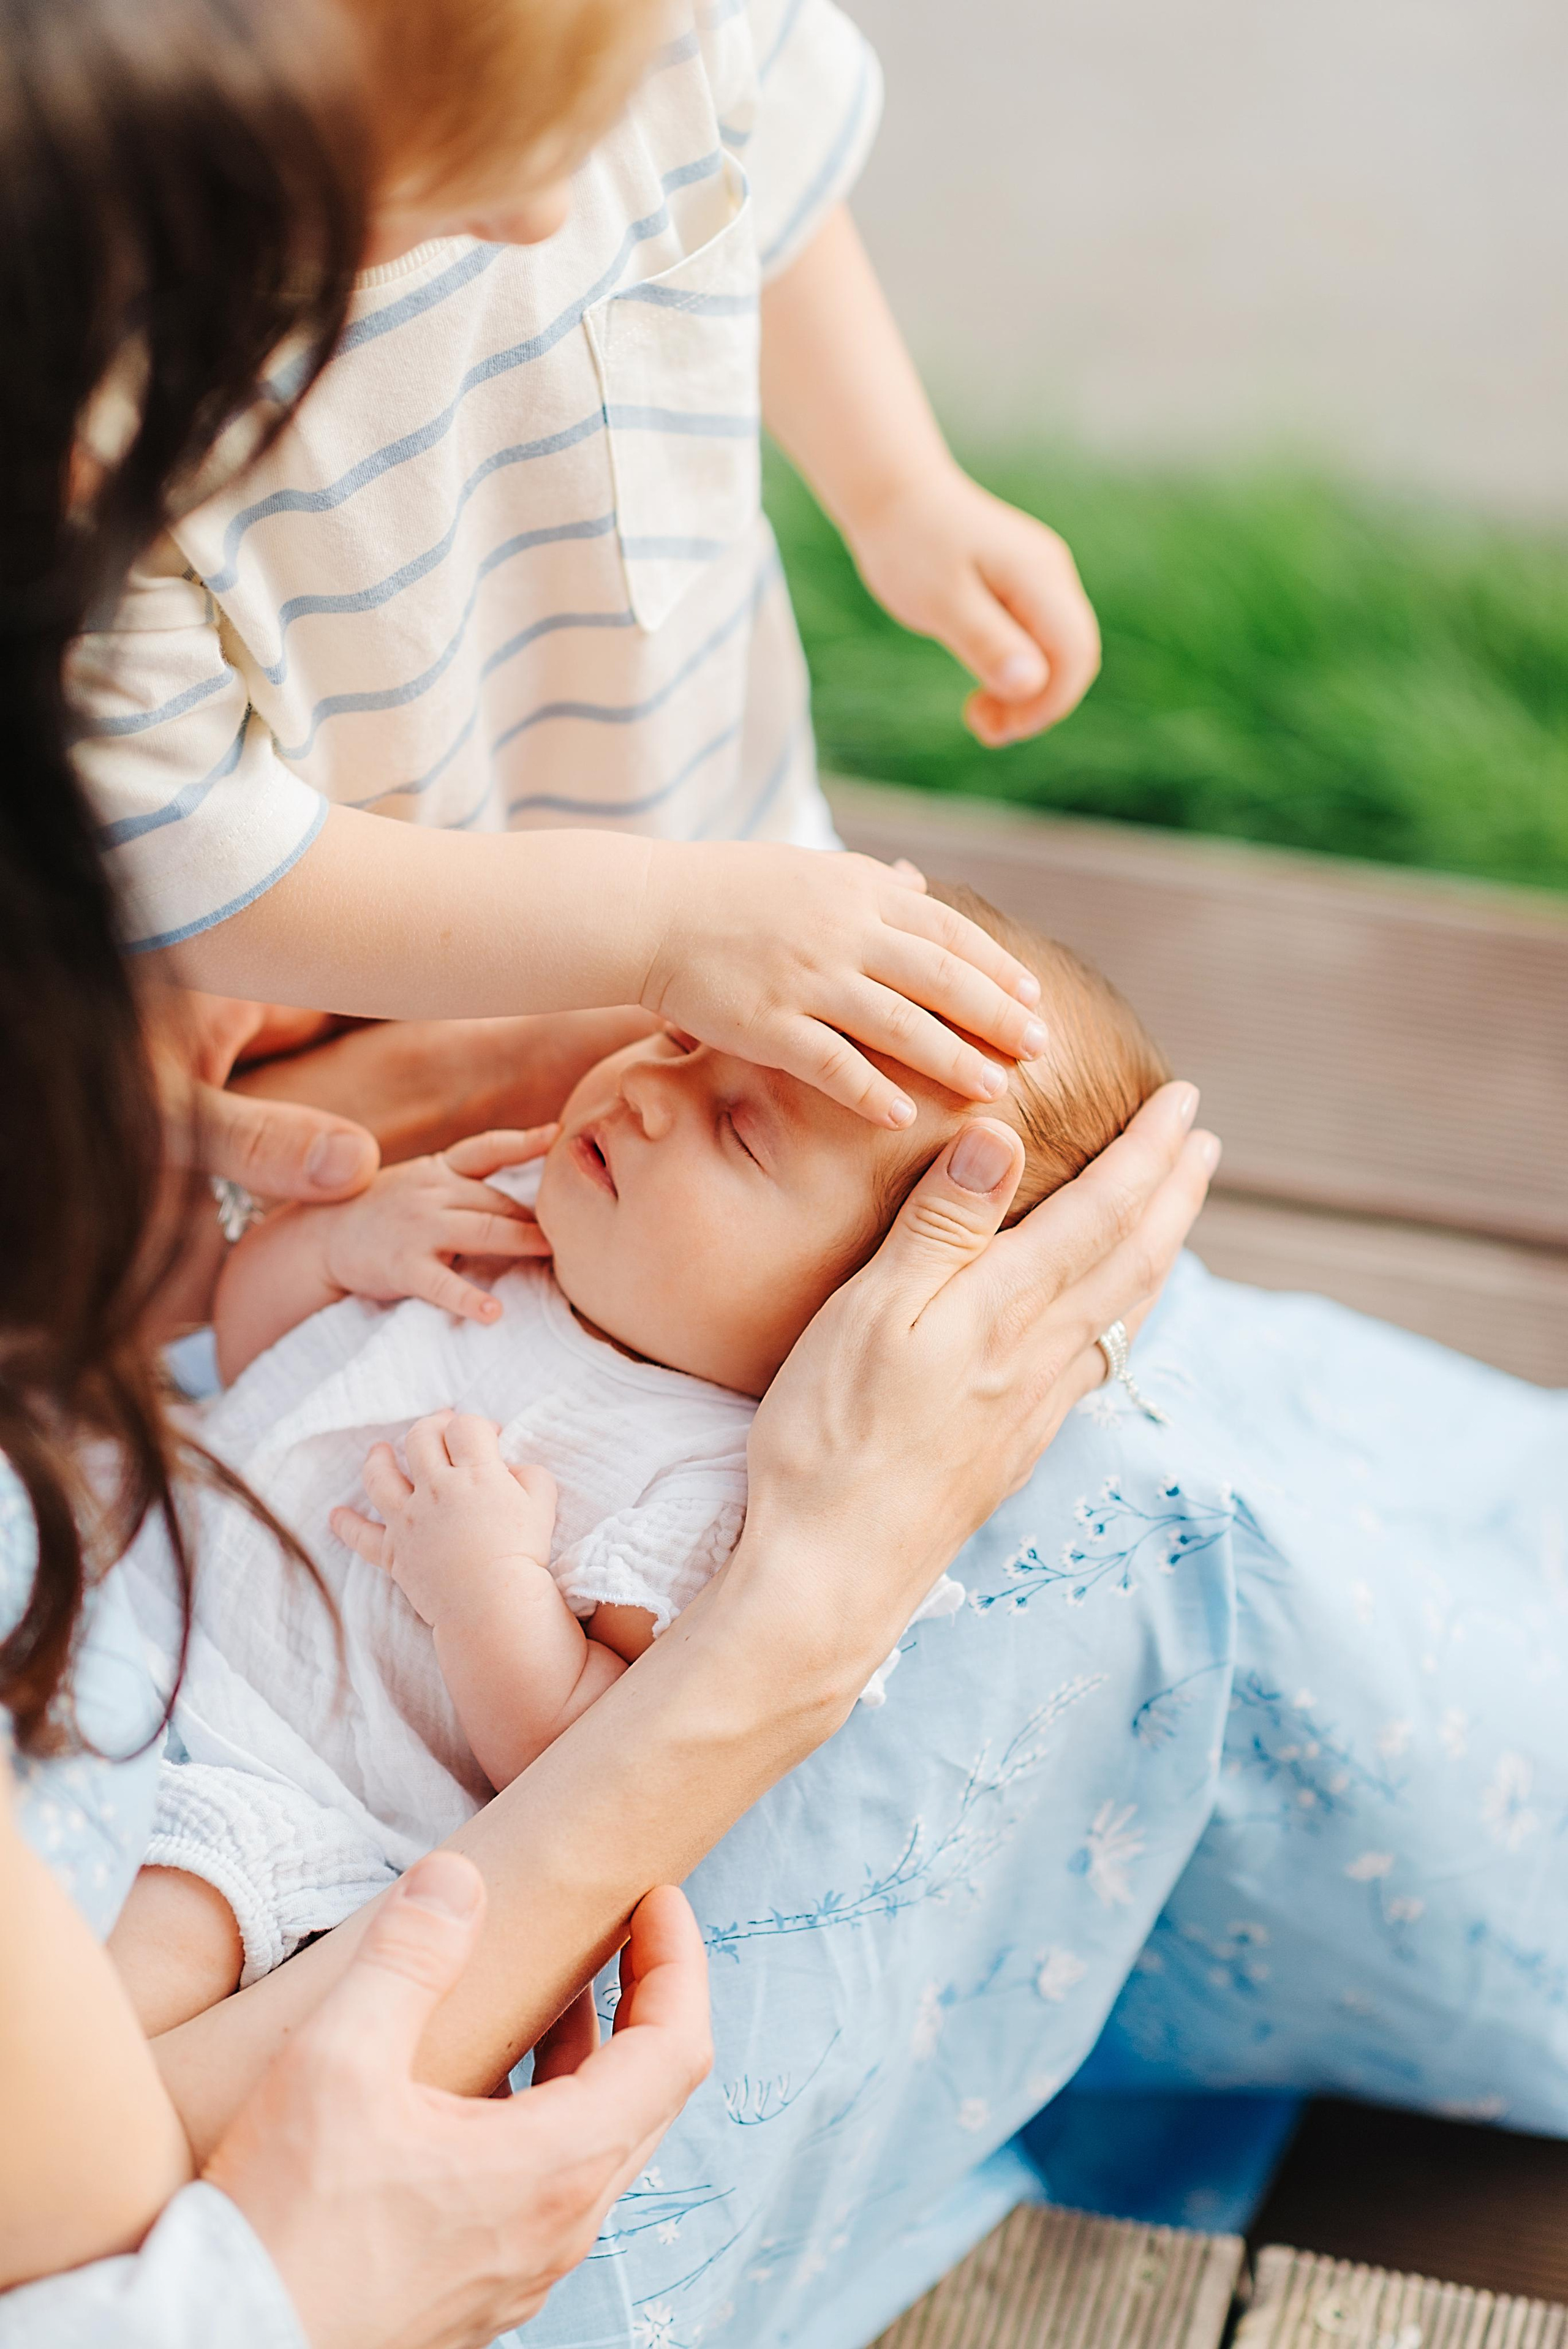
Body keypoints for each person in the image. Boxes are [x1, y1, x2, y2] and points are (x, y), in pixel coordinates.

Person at [0, 4, 1212, 2342]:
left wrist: (321, 1241)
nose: (640, 1074)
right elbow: (112, 2199)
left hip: (219, 1705)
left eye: (730, 1101)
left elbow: (252, 1342)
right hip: (210, 1733)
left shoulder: (676, 1421)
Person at [103, 889, 1170, 2026]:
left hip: (272, 1789)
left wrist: (487, 1594)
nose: (653, 1094)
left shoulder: (708, 1480)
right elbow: (257, 1357)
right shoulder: (515, 1215)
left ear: (866, 1304)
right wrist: (333, 1248)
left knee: (133, 1965)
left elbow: (574, 1758)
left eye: (743, 1131)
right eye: (680, 1040)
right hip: (114, 1586)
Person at [69, 0, 1102, 1044]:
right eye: (457, 181)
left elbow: (758, 177)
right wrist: (661, 929)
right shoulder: (85, 392)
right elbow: (189, 842)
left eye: (600, 119)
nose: (545, 215)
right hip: (392, 1001)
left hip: (747, 854)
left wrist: (900, 490)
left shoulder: (668, 21)